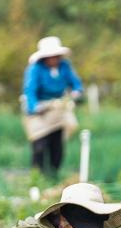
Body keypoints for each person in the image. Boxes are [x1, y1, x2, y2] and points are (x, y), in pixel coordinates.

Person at [22, 36, 84, 177]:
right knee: (40, 145)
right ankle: (37, 176)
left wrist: (76, 91)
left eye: (57, 56)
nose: (55, 59)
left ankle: (53, 174)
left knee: (57, 145)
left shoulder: (65, 66)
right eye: (51, 56)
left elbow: (75, 83)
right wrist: (35, 107)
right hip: (40, 110)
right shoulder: (35, 69)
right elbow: (30, 90)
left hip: (58, 108)